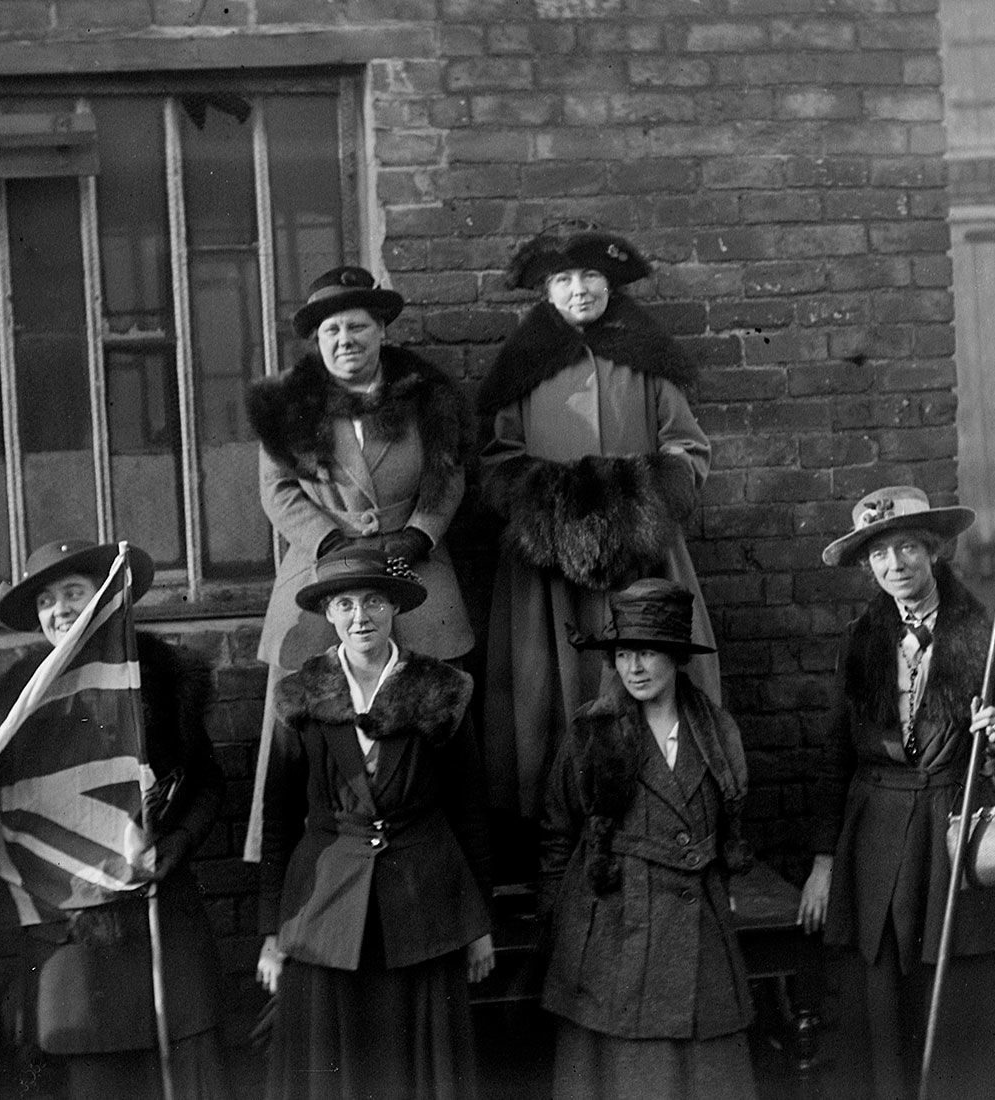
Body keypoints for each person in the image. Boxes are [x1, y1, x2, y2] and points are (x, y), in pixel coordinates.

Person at [479, 223, 719, 825]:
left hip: (644, 554)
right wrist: (550, 512)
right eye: (563, 280)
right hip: (550, 561)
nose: (580, 290)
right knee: (556, 682)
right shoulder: (523, 366)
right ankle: (562, 825)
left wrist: (643, 503)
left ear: (610, 283)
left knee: (652, 672)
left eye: (591, 277)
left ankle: (664, 812)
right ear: (545, 293)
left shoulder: (646, 358)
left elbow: (687, 448)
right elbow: (499, 459)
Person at [0, 538, 231, 1099]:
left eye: (74, 593)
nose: (60, 609)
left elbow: (206, 781)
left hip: (161, 923)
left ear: (103, 600)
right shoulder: (15, 707)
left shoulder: (159, 680)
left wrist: (176, 842)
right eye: (47, 601)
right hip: (71, 939)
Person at [812, 486, 995, 1100]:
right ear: (868, 566)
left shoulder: (986, 639)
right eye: (880, 555)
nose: (895, 566)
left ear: (933, 550)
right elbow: (836, 752)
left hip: (951, 825)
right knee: (885, 995)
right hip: (877, 832)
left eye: (908, 547)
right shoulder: (861, 643)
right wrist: (824, 862)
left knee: (962, 988)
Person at [243, 264, 475, 859]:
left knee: (433, 705)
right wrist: (328, 542)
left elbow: (448, 476)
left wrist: (421, 534)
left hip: (412, 566)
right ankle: (294, 874)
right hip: (322, 569)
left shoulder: (428, 398)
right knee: (299, 713)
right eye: (331, 332)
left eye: (358, 327)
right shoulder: (288, 406)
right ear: (317, 342)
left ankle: (438, 859)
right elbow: (278, 491)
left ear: (381, 331)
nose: (345, 341)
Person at [256, 546, 495, 1100]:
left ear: (393, 608)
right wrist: (273, 932)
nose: (360, 617)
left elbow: (469, 810)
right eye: (345, 603)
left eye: (373, 601)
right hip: (323, 912)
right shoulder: (300, 694)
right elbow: (279, 819)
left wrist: (479, 922)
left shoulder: (442, 690)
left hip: (426, 907)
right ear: (329, 614)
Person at [539, 579, 756, 1100]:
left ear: (677, 657)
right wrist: (562, 932)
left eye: (649, 652)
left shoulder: (716, 731)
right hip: (613, 932)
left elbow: (730, 826)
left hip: (697, 931)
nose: (633, 667)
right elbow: (556, 837)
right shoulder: (590, 734)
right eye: (623, 653)